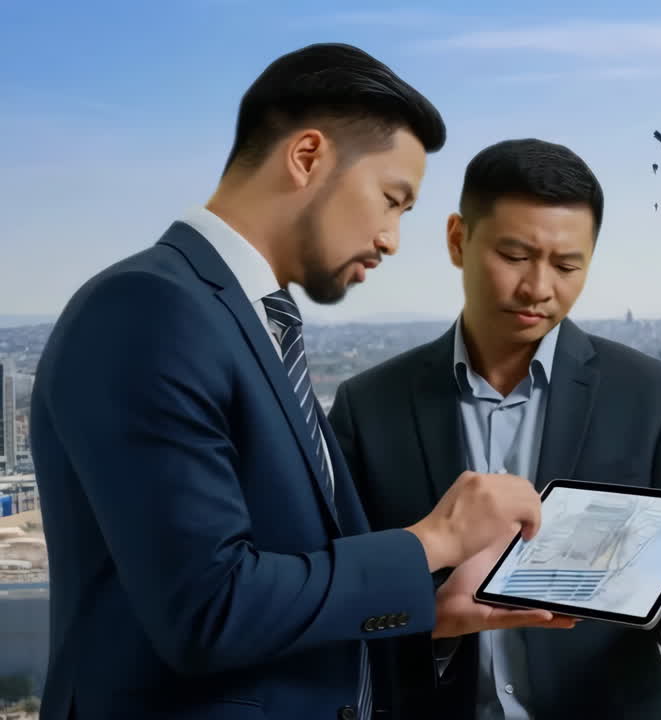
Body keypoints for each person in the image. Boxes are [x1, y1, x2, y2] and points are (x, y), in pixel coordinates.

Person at [28, 44, 569, 720]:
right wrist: (434, 541)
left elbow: (277, 587)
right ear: (307, 157)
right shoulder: (148, 309)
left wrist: (425, 610)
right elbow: (210, 608)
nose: (392, 239)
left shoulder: (250, 324)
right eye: (391, 200)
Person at [329, 138, 661, 719]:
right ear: (457, 240)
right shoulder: (369, 406)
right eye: (516, 256)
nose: (539, 288)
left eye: (568, 265)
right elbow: (337, 602)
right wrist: (433, 623)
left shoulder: (652, 395)